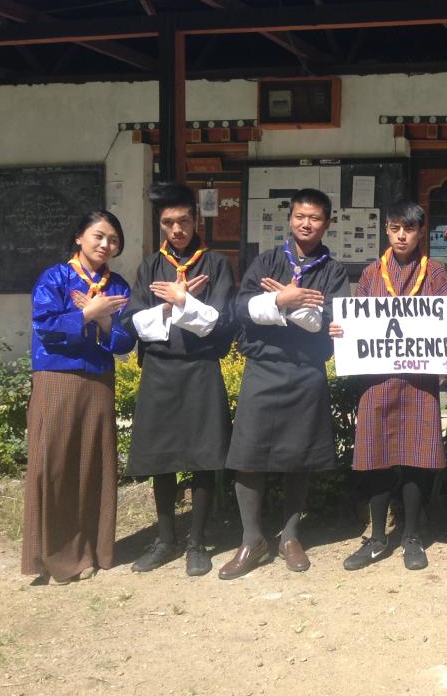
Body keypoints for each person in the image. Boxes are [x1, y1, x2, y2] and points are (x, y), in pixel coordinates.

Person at [219, 188, 349, 579]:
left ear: (327, 223)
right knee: (248, 454)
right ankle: (252, 538)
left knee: (299, 455)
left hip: (306, 370)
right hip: (264, 369)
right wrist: (281, 301)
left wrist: (292, 304)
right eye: (299, 217)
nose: (305, 224)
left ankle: (290, 535)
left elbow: (332, 317)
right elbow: (240, 308)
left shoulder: (334, 270)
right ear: (289, 220)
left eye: (314, 218)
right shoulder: (267, 261)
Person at [329, 199, 447, 571]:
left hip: (418, 381)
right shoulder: (371, 274)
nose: (402, 236)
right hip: (378, 381)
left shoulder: (434, 273)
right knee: (376, 457)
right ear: (386, 230)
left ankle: (412, 536)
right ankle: (378, 537)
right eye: (395, 228)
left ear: (420, 233)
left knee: (417, 458)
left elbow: (445, 313)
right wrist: (343, 331)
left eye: (410, 229)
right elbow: (357, 319)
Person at [123, 182, 236, 577]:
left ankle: (197, 542)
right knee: (163, 458)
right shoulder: (149, 267)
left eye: (183, 221)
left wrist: (183, 300)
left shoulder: (216, 264)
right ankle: (166, 539)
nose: (177, 230)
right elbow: (136, 322)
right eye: (169, 222)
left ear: (196, 219)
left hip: (201, 368)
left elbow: (220, 322)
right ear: (161, 224)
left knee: (203, 458)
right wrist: (176, 305)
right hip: (160, 370)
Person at [22, 210, 135, 584]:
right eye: (99, 236)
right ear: (79, 238)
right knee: (53, 463)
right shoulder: (55, 277)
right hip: (57, 376)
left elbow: (123, 342)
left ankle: (92, 551)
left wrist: (105, 321)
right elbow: (46, 328)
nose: (106, 245)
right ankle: (53, 557)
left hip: (98, 380)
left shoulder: (117, 284)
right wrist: (87, 313)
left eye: (113, 240)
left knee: (93, 464)